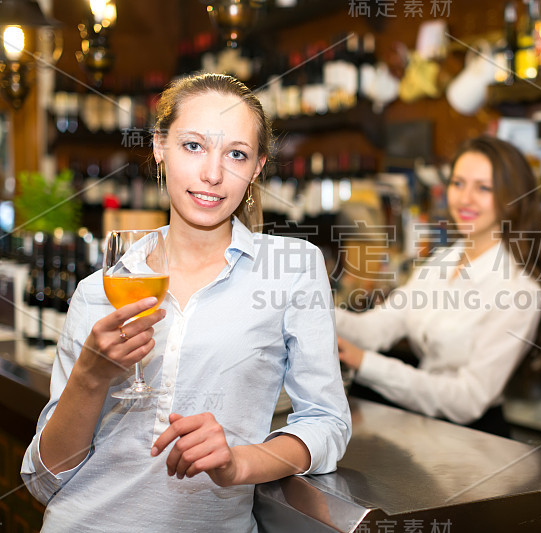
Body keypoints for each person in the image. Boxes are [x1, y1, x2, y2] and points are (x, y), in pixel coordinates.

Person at [21, 73, 351, 532]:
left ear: (256, 168)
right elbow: (43, 480)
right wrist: (90, 379)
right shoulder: (103, 288)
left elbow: (327, 423)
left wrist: (239, 463)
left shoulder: (292, 267)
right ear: (159, 146)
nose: (213, 174)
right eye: (193, 146)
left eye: (236, 154)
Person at [336, 136, 541, 437]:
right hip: (425, 428)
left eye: (483, 188)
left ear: (513, 198)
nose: (465, 199)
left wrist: (365, 363)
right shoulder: (440, 263)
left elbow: (468, 399)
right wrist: (309, 306)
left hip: (478, 440)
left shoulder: (520, 292)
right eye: (458, 183)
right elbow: (375, 329)